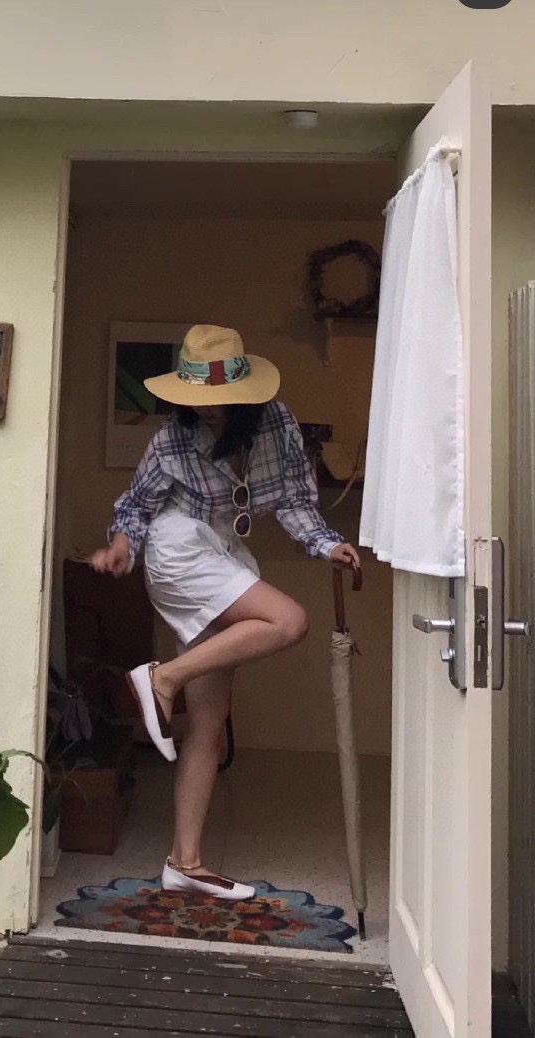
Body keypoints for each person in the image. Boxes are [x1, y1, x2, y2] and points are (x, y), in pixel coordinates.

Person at [90, 325, 360, 901]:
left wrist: (326, 544)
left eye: (217, 401)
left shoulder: (277, 424)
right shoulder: (172, 438)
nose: (206, 411)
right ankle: (160, 679)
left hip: (225, 550)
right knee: (288, 621)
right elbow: (135, 507)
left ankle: (184, 863)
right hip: (179, 548)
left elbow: (294, 500)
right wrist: (120, 546)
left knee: (209, 722)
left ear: (245, 395)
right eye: (196, 400)